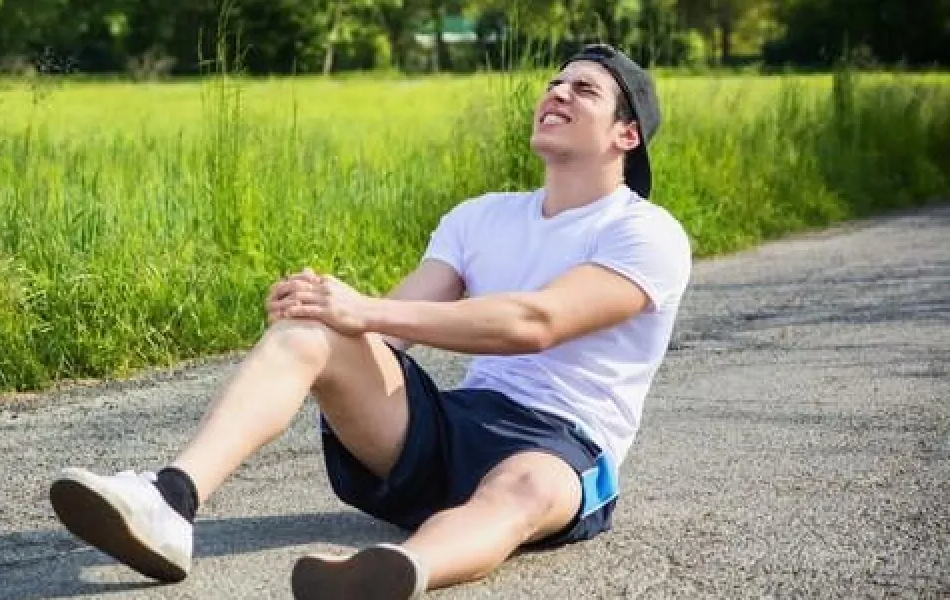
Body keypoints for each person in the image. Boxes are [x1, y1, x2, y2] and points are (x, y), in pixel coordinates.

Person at [49, 43, 691, 600]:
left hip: (563, 443)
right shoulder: (481, 216)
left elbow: (537, 322)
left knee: (524, 486)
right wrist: (322, 317)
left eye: (585, 90)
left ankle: (397, 570)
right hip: (451, 428)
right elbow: (387, 331)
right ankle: (170, 499)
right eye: (555, 82)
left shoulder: (646, 234)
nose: (558, 92)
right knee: (316, 329)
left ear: (626, 135)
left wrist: (362, 308)